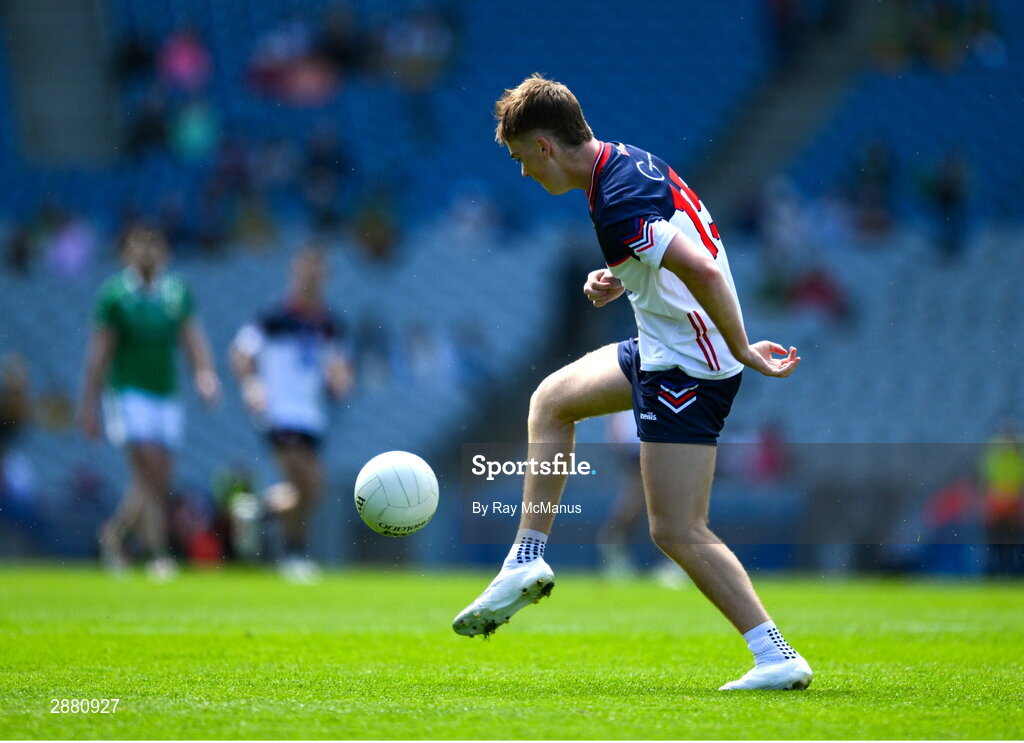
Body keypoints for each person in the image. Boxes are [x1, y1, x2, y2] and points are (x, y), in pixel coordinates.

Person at [452, 74, 811, 692]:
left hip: (689, 366)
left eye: (519, 159)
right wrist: (625, 276)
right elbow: (676, 239)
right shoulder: (619, 164)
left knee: (675, 529)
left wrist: (742, 346)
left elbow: (699, 265)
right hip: (664, 346)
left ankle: (776, 655)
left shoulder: (614, 196)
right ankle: (525, 560)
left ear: (544, 146)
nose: (522, 173)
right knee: (552, 401)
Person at [79, 223, 220, 580]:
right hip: (128, 392)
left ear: (165, 251)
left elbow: (192, 339)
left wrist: (204, 375)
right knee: (147, 468)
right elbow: (100, 352)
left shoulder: (175, 292)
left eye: (153, 245)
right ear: (127, 252)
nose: (146, 252)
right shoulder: (115, 296)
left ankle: (114, 534)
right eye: (139, 245)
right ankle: (158, 552)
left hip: (165, 394)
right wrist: (89, 402)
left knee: (157, 477)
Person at [230, 247, 353, 583]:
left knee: (308, 490)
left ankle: (257, 512)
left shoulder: (330, 324)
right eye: (305, 270)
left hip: (312, 415)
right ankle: (294, 553)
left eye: (318, 270)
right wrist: (252, 386)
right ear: (294, 274)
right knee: (308, 480)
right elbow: (241, 353)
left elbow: (339, 366)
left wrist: (341, 379)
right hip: (280, 411)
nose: (311, 277)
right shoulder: (274, 318)